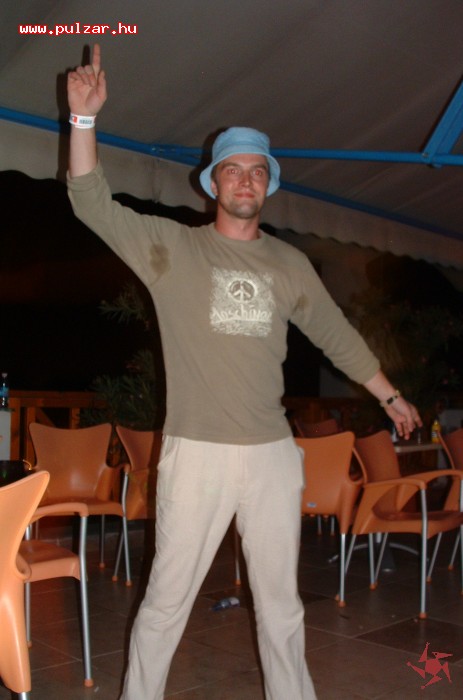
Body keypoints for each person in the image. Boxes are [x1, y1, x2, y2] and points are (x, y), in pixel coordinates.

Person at [66, 45, 421, 700]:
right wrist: (83, 120)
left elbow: (334, 333)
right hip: (196, 453)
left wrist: (389, 394)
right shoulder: (172, 248)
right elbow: (91, 203)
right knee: (165, 602)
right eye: (233, 170)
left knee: (281, 607)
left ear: (267, 185)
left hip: (271, 456)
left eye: (257, 172)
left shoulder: (289, 264)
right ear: (213, 183)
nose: (246, 181)